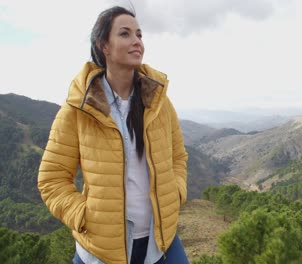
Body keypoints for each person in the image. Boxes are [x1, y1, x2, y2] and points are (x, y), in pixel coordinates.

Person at [37, 6, 189, 264]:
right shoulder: (78, 108)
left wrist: (175, 193)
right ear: (104, 46)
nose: (136, 41)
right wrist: (84, 216)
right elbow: (51, 179)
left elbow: (178, 157)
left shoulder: (159, 102)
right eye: (125, 34)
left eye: (139, 35)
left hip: (160, 242)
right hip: (102, 252)